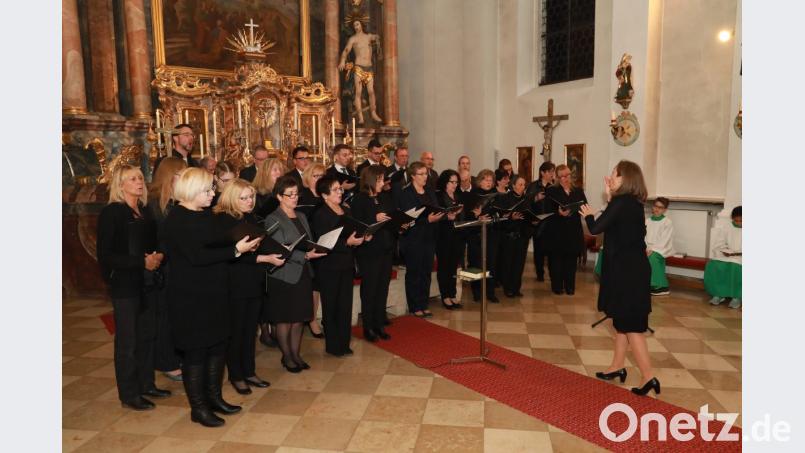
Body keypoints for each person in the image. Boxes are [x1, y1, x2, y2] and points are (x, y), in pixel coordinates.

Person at [163, 168, 263, 427]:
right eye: (207, 190)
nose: (212, 194)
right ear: (192, 190)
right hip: (190, 297)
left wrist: (242, 242)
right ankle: (199, 408)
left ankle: (215, 399)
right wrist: (236, 250)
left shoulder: (205, 215)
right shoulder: (177, 218)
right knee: (196, 353)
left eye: (211, 189)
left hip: (216, 292)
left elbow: (217, 242)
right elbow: (196, 257)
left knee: (218, 347)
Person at [580, 160, 658, 396]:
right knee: (621, 323)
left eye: (614, 174)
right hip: (633, 269)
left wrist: (590, 215)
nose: (610, 177)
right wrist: (609, 195)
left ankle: (648, 377)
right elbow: (620, 225)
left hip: (627, 272)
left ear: (625, 178)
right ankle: (617, 366)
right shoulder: (632, 203)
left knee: (632, 327)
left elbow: (595, 229)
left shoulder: (622, 202)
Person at [97, 165, 170, 411]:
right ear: (120, 184)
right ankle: (129, 393)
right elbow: (106, 256)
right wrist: (141, 261)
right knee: (127, 342)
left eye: (140, 177)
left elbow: (156, 239)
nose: (139, 182)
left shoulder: (145, 210)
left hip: (149, 281)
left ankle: (147, 384)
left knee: (148, 336)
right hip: (125, 284)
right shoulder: (112, 213)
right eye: (132, 179)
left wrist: (159, 254)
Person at [213, 180, 285, 395]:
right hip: (234, 282)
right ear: (231, 198)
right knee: (237, 331)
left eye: (251, 197)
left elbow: (259, 245)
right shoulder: (223, 220)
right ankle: (237, 375)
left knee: (250, 330)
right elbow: (229, 256)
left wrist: (276, 251)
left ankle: (249, 371)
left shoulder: (251, 217)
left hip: (253, 280)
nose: (249, 201)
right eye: (243, 197)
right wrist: (263, 258)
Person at [264, 177, 327, 371]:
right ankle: (287, 357)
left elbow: (307, 240)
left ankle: (296, 355)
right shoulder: (272, 218)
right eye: (289, 194)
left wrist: (316, 247)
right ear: (279, 197)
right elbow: (280, 248)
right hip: (284, 274)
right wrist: (306, 255)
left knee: (300, 317)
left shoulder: (301, 215)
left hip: (303, 273)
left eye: (296, 193)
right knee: (285, 319)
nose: (294, 197)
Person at [312, 176, 366, 355]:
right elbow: (323, 243)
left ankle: (344, 343)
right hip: (329, 266)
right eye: (335, 190)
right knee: (331, 306)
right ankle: (333, 346)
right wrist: (347, 243)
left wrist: (362, 236)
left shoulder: (345, 210)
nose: (340, 192)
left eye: (340, 189)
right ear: (324, 195)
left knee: (345, 305)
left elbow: (353, 230)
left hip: (346, 263)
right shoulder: (321, 214)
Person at [147, 157, 187, 383]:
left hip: (179, 265)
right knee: (164, 317)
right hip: (164, 267)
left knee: (177, 315)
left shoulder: (177, 202)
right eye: (181, 173)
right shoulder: (154, 204)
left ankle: (176, 356)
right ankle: (166, 361)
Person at [350, 166, 395, 340]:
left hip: (386, 248)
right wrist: (373, 219)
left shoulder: (385, 197)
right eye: (380, 179)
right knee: (370, 289)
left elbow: (391, 218)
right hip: (369, 251)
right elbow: (356, 225)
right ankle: (368, 327)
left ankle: (379, 324)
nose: (383, 183)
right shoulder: (359, 200)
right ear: (370, 180)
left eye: (383, 179)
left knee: (383, 288)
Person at [397, 162, 445, 317]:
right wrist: (427, 220)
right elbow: (407, 219)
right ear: (412, 176)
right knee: (414, 272)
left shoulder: (430, 191)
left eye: (426, 173)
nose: (425, 177)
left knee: (426, 271)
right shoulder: (405, 193)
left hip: (429, 237)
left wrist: (441, 215)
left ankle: (424, 303)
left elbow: (436, 208)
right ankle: (414, 305)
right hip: (412, 239)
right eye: (421, 174)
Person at [544, 164, 588, 295]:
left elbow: (585, 206)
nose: (566, 178)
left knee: (571, 260)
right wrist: (558, 213)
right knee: (556, 260)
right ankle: (557, 286)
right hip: (557, 230)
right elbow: (547, 209)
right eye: (562, 176)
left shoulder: (578, 190)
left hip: (573, 230)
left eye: (568, 175)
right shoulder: (552, 190)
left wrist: (577, 208)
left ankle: (570, 287)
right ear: (557, 178)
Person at [298, 163, 327, 338]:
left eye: (322, 175)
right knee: (312, 285)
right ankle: (311, 319)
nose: (319, 179)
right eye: (316, 176)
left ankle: (316, 317)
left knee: (319, 285)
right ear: (307, 179)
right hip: (309, 244)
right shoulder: (303, 197)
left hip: (325, 243)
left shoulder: (325, 196)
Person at [338, 20, 382, 124]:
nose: (356, 27)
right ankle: (360, 117)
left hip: (369, 67)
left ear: (361, 25)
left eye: (357, 24)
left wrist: (376, 39)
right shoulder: (353, 39)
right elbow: (346, 50)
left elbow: (377, 37)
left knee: (371, 91)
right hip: (359, 67)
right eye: (354, 25)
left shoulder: (368, 37)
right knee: (358, 92)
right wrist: (342, 61)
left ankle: (373, 113)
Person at [465, 169, 498, 303]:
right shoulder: (472, 195)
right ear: (479, 181)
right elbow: (467, 215)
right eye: (486, 180)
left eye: (491, 180)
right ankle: (476, 292)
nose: (489, 183)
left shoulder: (495, 195)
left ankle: (490, 292)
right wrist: (477, 215)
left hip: (491, 233)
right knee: (475, 263)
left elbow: (498, 211)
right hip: (475, 234)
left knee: (491, 263)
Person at [435, 169, 464, 309]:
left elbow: (462, 215)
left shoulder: (458, 196)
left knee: (453, 267)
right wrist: (447, 217)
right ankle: (445, 296)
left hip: (457, 235)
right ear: (445, 182)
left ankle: (452, 294)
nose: (454, 185)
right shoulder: (439, 196)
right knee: (444, 267)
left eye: (456, 182)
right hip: (443, 236)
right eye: (452, 182)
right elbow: (436, 216)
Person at [497, 175, 529, 297]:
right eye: (520, 184)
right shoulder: (506, 198)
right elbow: (501, 216)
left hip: (522, 236)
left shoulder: (526, 199)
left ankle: (516, 288)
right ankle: (508, 288)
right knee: (508, 263)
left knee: (519, 264)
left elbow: (529, 214)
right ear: (514, 185)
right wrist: (511, 217)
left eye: (524, 185)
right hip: (509, 236)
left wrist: (533, 220)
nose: (523, 187)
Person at [704, 206, 742, 308]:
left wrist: (738, 253)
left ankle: (737, 297)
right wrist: (725, 250)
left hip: (741, 258)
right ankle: (719, 294)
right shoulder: (727, 226)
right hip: (728, 255)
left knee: (735, 266)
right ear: (732, 218)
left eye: (741, 221)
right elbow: (720, 243)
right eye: (736, 220)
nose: (738, 223)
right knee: (714, 264)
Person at [526, 162, 556, 281]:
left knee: (551, 251)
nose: (552, 174)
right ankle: (540, 274)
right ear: (542, 172)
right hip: (538, 223)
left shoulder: (554, 186)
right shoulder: (533, 186)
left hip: (551, 223)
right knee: (539, 250)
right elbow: (526, 203)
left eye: (553, 171)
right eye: (550, 171)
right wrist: (535, 198)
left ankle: (553, 275)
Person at [645, 197, 675, 296]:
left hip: (662, 248)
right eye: (655, 206)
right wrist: (645, 248)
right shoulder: (647, 221)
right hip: (647, 248)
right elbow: (643, 236)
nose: (657, 209)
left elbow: (665, 239)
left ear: (665, 210)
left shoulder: (667, 222)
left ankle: (661, 286)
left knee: (653, 257)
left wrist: (653, 249)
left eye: (661, 207)